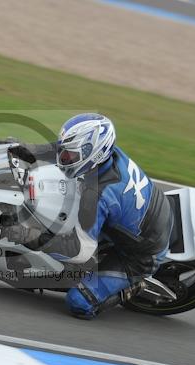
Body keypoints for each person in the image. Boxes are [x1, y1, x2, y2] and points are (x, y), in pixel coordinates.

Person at [42, 113, 174, 319]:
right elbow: (57, 149)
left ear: (93, 153)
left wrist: (29, 236)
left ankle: (132, 287)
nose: (64, 158)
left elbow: (77, 251)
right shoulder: (109, 155)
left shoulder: (98, 196)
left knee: (78, 303)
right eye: (65, 152)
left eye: (71, 155)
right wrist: (25, 150)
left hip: (139, 255)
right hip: (147, 215)